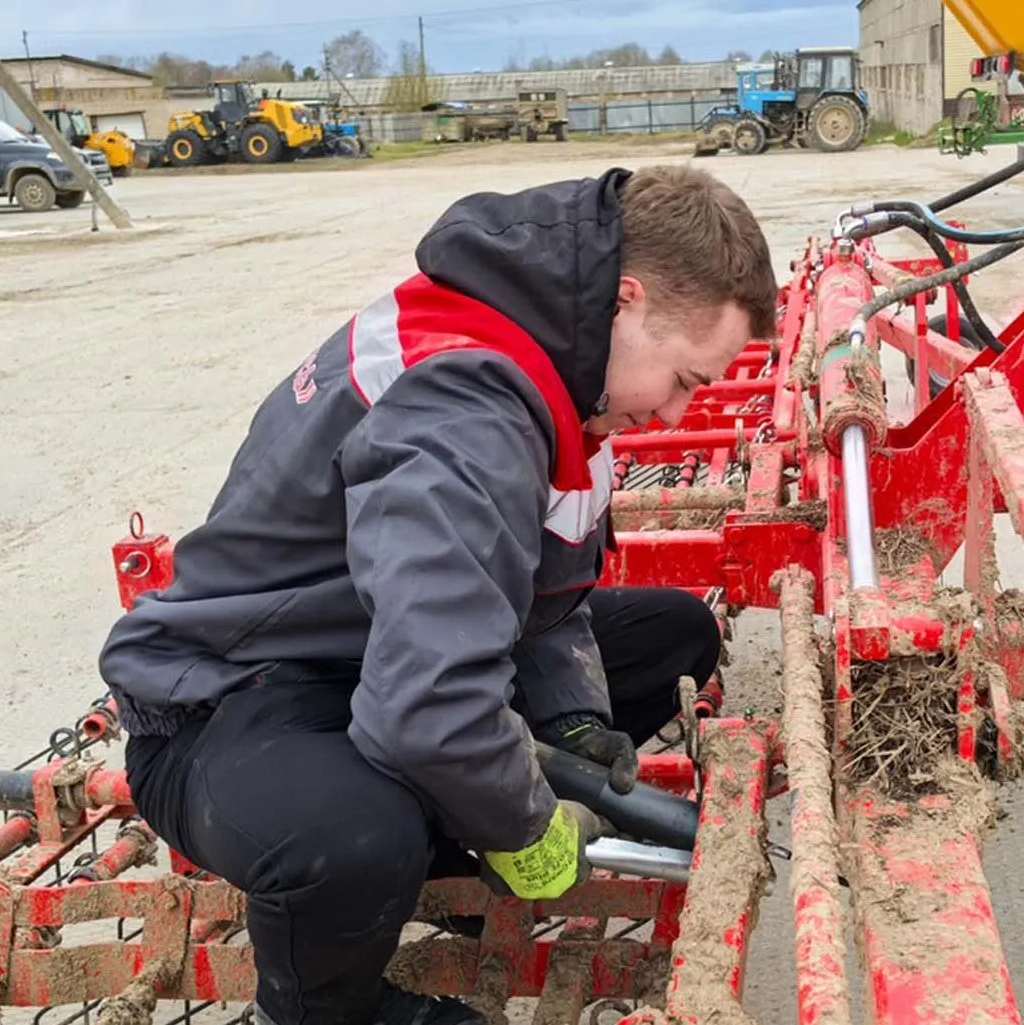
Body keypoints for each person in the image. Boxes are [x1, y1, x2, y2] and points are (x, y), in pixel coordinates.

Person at [97, 164, 777, 1025]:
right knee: (357, 836)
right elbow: (424, 705)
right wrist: (530, 827)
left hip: (371, 650)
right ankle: (327, 1007)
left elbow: (535, 590)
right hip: (239, 699)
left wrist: (570, 714)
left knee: (670, 632)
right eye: (686, 380)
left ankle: (453, 834)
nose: (680, 416)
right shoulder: (466, 411)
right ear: (627, 302)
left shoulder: (559, 364)